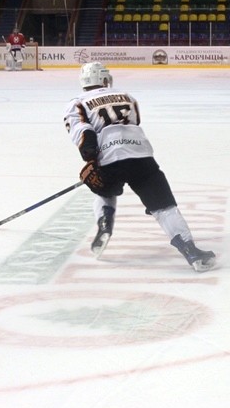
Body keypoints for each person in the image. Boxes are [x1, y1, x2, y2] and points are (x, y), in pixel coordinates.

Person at [63, 62, 216, 272]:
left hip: (109, 156)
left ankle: (105, 221)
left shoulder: (77, 102)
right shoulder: (127, 96)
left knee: (106, 190)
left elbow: (83, 131)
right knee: (164, 207)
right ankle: (191, 252)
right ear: (105, 79)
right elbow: (133, 120)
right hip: (141, 154)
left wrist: (90, 158)